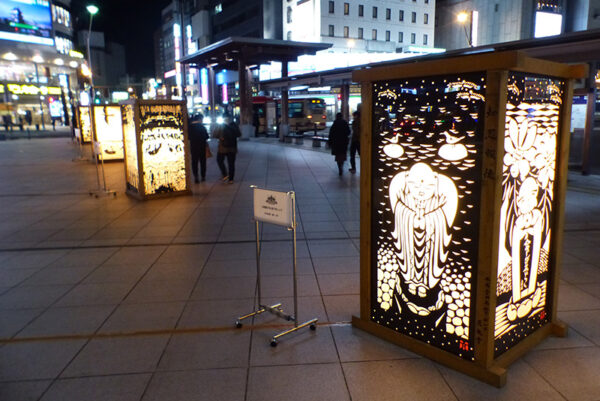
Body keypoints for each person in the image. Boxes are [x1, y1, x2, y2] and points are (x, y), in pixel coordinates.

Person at [214, 113, 241, 184]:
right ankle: (231, 179)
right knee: (231, 163)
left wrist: (220, 137)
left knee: (219, 160)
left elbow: (215, 134)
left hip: (222, 148)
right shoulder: (234, 125)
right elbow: (239, 134)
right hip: (232, 148)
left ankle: (225, 174)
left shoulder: (221, 125)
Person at [188, 112, 209, 183]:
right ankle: (203, 176)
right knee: (203, 162)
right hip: (202, 147)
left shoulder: (190, 127)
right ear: (200, 119)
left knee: (194, 162)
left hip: (193, 147)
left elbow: (188, 137)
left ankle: (196, 177)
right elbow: (206, 136)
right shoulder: (202, 127)